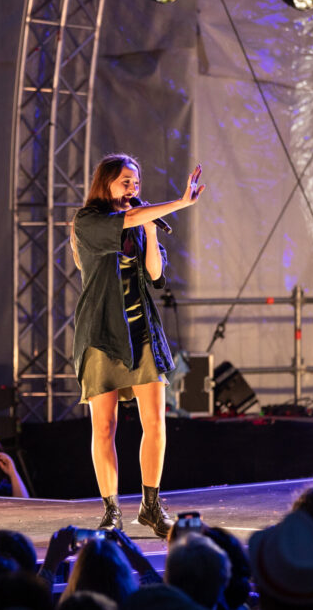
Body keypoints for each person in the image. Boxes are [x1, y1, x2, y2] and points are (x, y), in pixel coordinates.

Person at [71, 154, 204, 537]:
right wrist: (179, 203)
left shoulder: (140, 224)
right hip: (101, 333)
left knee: (155, 423)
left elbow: (155, 274)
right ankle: (111, 509)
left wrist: (151, 230)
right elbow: (124, 221)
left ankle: (151, 505)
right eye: (125, 182)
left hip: (141, 330)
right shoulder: (89, 222)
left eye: (137, 183)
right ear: (106, 184)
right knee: (105, 426)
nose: (133, 189)